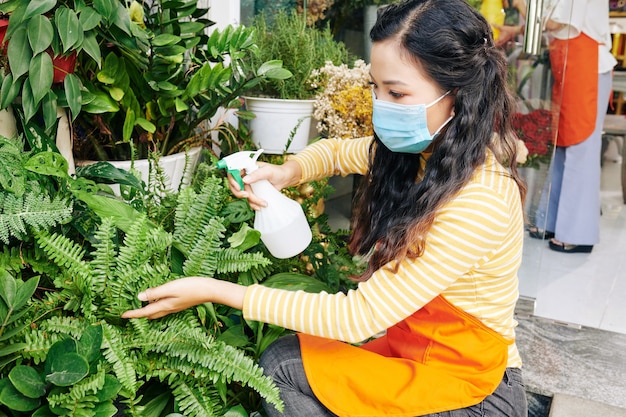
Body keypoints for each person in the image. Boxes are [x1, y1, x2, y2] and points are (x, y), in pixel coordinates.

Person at [122, 0, 528, 416]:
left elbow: (358, 317)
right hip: (416, 354)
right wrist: (286, 172)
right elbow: (337, 152)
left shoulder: (479, 200)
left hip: (474, 391)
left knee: (281, 369)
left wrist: (214, 289)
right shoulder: (426, 153)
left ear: (456, 94)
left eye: (397, 93)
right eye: (376, 87)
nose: (380, 104)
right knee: (287, 360)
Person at [500, 0, 617, 253]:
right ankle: (550, 221)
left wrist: (521, 5)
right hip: (568, 64)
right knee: (562, 144)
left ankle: (578, 233)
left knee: (579, 147)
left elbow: (556, 22)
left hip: (587, 67)